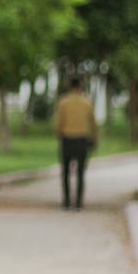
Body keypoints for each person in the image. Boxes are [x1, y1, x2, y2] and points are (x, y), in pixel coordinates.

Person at [54, 76, 98, 211]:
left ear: (70, 87)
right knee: (80, 173)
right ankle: (78, 203)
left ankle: (66, 202)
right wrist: (93, 138)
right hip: (81, 140)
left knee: (66, 172)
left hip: (67, 139)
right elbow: (94, 124)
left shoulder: (63, 103)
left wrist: (59, 135)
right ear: (80, 87)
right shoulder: (87, 103)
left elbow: (58, 124)